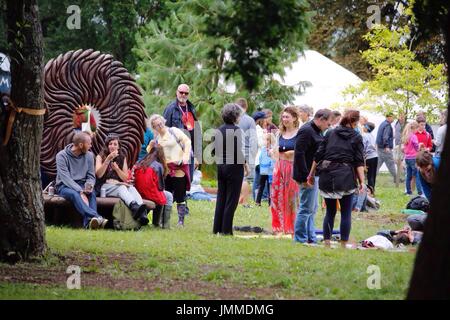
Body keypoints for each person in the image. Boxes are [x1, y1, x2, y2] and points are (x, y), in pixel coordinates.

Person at [309, 109, 365, 248]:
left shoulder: (330, 133)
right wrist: (362, 182)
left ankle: (327, 243)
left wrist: (310, 174)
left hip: (327, 176)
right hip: (345, 177)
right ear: (355, 122)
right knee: (346, 213)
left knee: (330, 211)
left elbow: (318, 155)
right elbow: (359, 162)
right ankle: (343, 244)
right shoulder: (357, 137)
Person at [293, 109, 332, 244]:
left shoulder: (316, 131)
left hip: (314, 174)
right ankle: (300, 239)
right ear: (321, 119)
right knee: (305, 208)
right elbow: (299, 154)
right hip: (307, 176)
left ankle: (311, 237)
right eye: (328, 122)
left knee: (312, 208)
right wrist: (305, 176)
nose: (329, 126)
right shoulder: (307, 130)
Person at [55, 132, 107, 229]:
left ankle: (88, 223)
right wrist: (80, 191)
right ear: (81, 145)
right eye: (89, 143)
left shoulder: (89, 156)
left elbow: (91, 176)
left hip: (82, 185)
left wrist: (89, 186)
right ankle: (96, 216)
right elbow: (65, 178)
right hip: (64, 186)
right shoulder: (61, 156)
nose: (91, 146)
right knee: (75, 194)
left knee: (92, 193)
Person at [148, 114, 192, 227]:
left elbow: (187, 142)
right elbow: (151, 154)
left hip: (179, 166)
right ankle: (162, 220)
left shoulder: (173, 131)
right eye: (157, 125)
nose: (160, 126)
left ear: (164, 122)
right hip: (166, 169)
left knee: (180, 194)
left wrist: (185, 158)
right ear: (154, 128)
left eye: (161, 123)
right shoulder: (156, 139)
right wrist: (150, 146)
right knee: (165, 194)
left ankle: (181, 221)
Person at [95, 135, 149, 225]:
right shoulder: (100, 157)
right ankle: (134, 207)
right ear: (107, 145)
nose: (112, 146)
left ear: (118, 146)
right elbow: (99, 174)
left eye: (115, 144)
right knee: (122, 188)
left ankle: (142, 214)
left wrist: (117, 169)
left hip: (117, 185)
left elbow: (125, 178)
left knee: (131, 188)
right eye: (110, 144)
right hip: (103, 186)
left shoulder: (122, 157)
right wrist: (108, 160)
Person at [213, 103, 246, 235]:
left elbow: (214, 150)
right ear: (235, 116)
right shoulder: (236, 130)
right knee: (232, 199)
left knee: (221, 197)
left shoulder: (219, 130)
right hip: (234, 167)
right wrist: (245, 164)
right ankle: (226, 230)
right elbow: (237, 151)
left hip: (221, 166)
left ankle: (217, 228)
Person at [270, 106, 301, 235]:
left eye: (287, 117)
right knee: (276, 197)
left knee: (291, 198)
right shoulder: (279, 133)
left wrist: (291, 153)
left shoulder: (299, 133)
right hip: (279, 167)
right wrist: (273, 152)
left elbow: (302, 151)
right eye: (283, 117)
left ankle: (292, 227)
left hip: (292, 167)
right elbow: (274, 150)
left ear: (294, 118)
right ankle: (279, 227)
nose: (284, 119)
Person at [163, 84, 202, 182]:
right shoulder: (170, 108)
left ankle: (182, 196)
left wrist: (197, 155)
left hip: (189, 149)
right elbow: (165, 130)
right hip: (175, 149)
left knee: (188, 177)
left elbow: (196, 131)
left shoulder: (191, 108)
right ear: (177, 92)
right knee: (175, 177)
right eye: (181, 92)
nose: (183, 95)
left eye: (186, 93)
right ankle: (174, 196)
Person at [134, 145, 173, 229]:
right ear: (161, 155)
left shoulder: (140, 162)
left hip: (138, 192)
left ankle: (151, 221)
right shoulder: (158, 166)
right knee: (168, 196)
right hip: (150, 193)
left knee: (160, 196)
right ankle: (161, 224)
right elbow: (160, 187)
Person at [236, 97, 257, 208]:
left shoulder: (232, 119)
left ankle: (239, 199)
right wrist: (253, 154)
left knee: (235, 177)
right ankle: (245, 202)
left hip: (232, 151)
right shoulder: (249, 120)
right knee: (245, 178)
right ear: (246, 107)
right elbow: (253, 139)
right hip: (246, 150)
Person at [402, 121, 423, 196]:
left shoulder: (406, 136)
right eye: (417, 129)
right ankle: (420, 192)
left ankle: (408, 192)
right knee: (417, 175)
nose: (417, 130)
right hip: (413, 158)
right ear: (414, 128)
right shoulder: (414, 136)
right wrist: (420, 145)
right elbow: (417, 147)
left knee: (409, 175)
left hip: (407, 158)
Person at [251, 111, 268, 202]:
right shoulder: (258, 130)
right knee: (259, 181)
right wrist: (266, 136)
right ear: (260, 120)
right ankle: (260, 197)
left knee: (258, 180)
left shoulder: (257, 129)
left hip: (259, 158)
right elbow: (261, 144)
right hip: (260, 159)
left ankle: (257, 198)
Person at [376, 112, 397, 183]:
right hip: (385, 148)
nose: (393, 119)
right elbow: (385, 137)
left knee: (378, 163)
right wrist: (387, 146)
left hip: (380, 147)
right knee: (391, 163)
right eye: (393, 117)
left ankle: (371, 176)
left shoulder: (383, 124)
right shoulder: (387, 125)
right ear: (389, 117)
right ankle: (396, 178)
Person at [255, 132, 276, 206]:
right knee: (261, 185)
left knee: (269, 186)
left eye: (267, 140)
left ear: (271, 141)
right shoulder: (263, 149)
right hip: (263, 170)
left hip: (270, 171)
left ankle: (270, 202)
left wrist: (272, 167)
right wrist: (261, 166)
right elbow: (261, 158)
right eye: (265, 140)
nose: (266, 142)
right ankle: (258, 201)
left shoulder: (273, 150)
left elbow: (273, 160)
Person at [362, 122, 378, 193]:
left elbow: (363, 147)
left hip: (369, 157)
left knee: (369, 175)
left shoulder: (364, 136)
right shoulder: (372, 135)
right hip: (375, 156)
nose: (363, 128)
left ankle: (370, 191)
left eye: (364, 126)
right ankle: (372, 189)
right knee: (373, 174)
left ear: (366, 128)